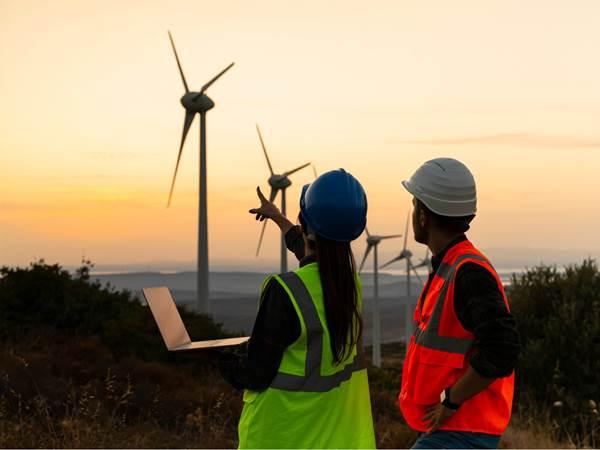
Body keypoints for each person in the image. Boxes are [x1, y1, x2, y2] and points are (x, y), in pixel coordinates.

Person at [218, 169, 376, 449]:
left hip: (284, 436)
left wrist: (218, 358)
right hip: (338, 439)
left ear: (306, 225)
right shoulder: (350, 285)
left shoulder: (286, 291)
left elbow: (254, 374)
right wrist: (277, 217)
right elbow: (308, 248)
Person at [398, 158, 520, 449]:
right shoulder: (453, 265)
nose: (413, 212)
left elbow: (503, 347)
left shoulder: (468, 272)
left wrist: (451, 401)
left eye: (414, 204)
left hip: (461, 433)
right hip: (450, 432)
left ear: (424, 215)